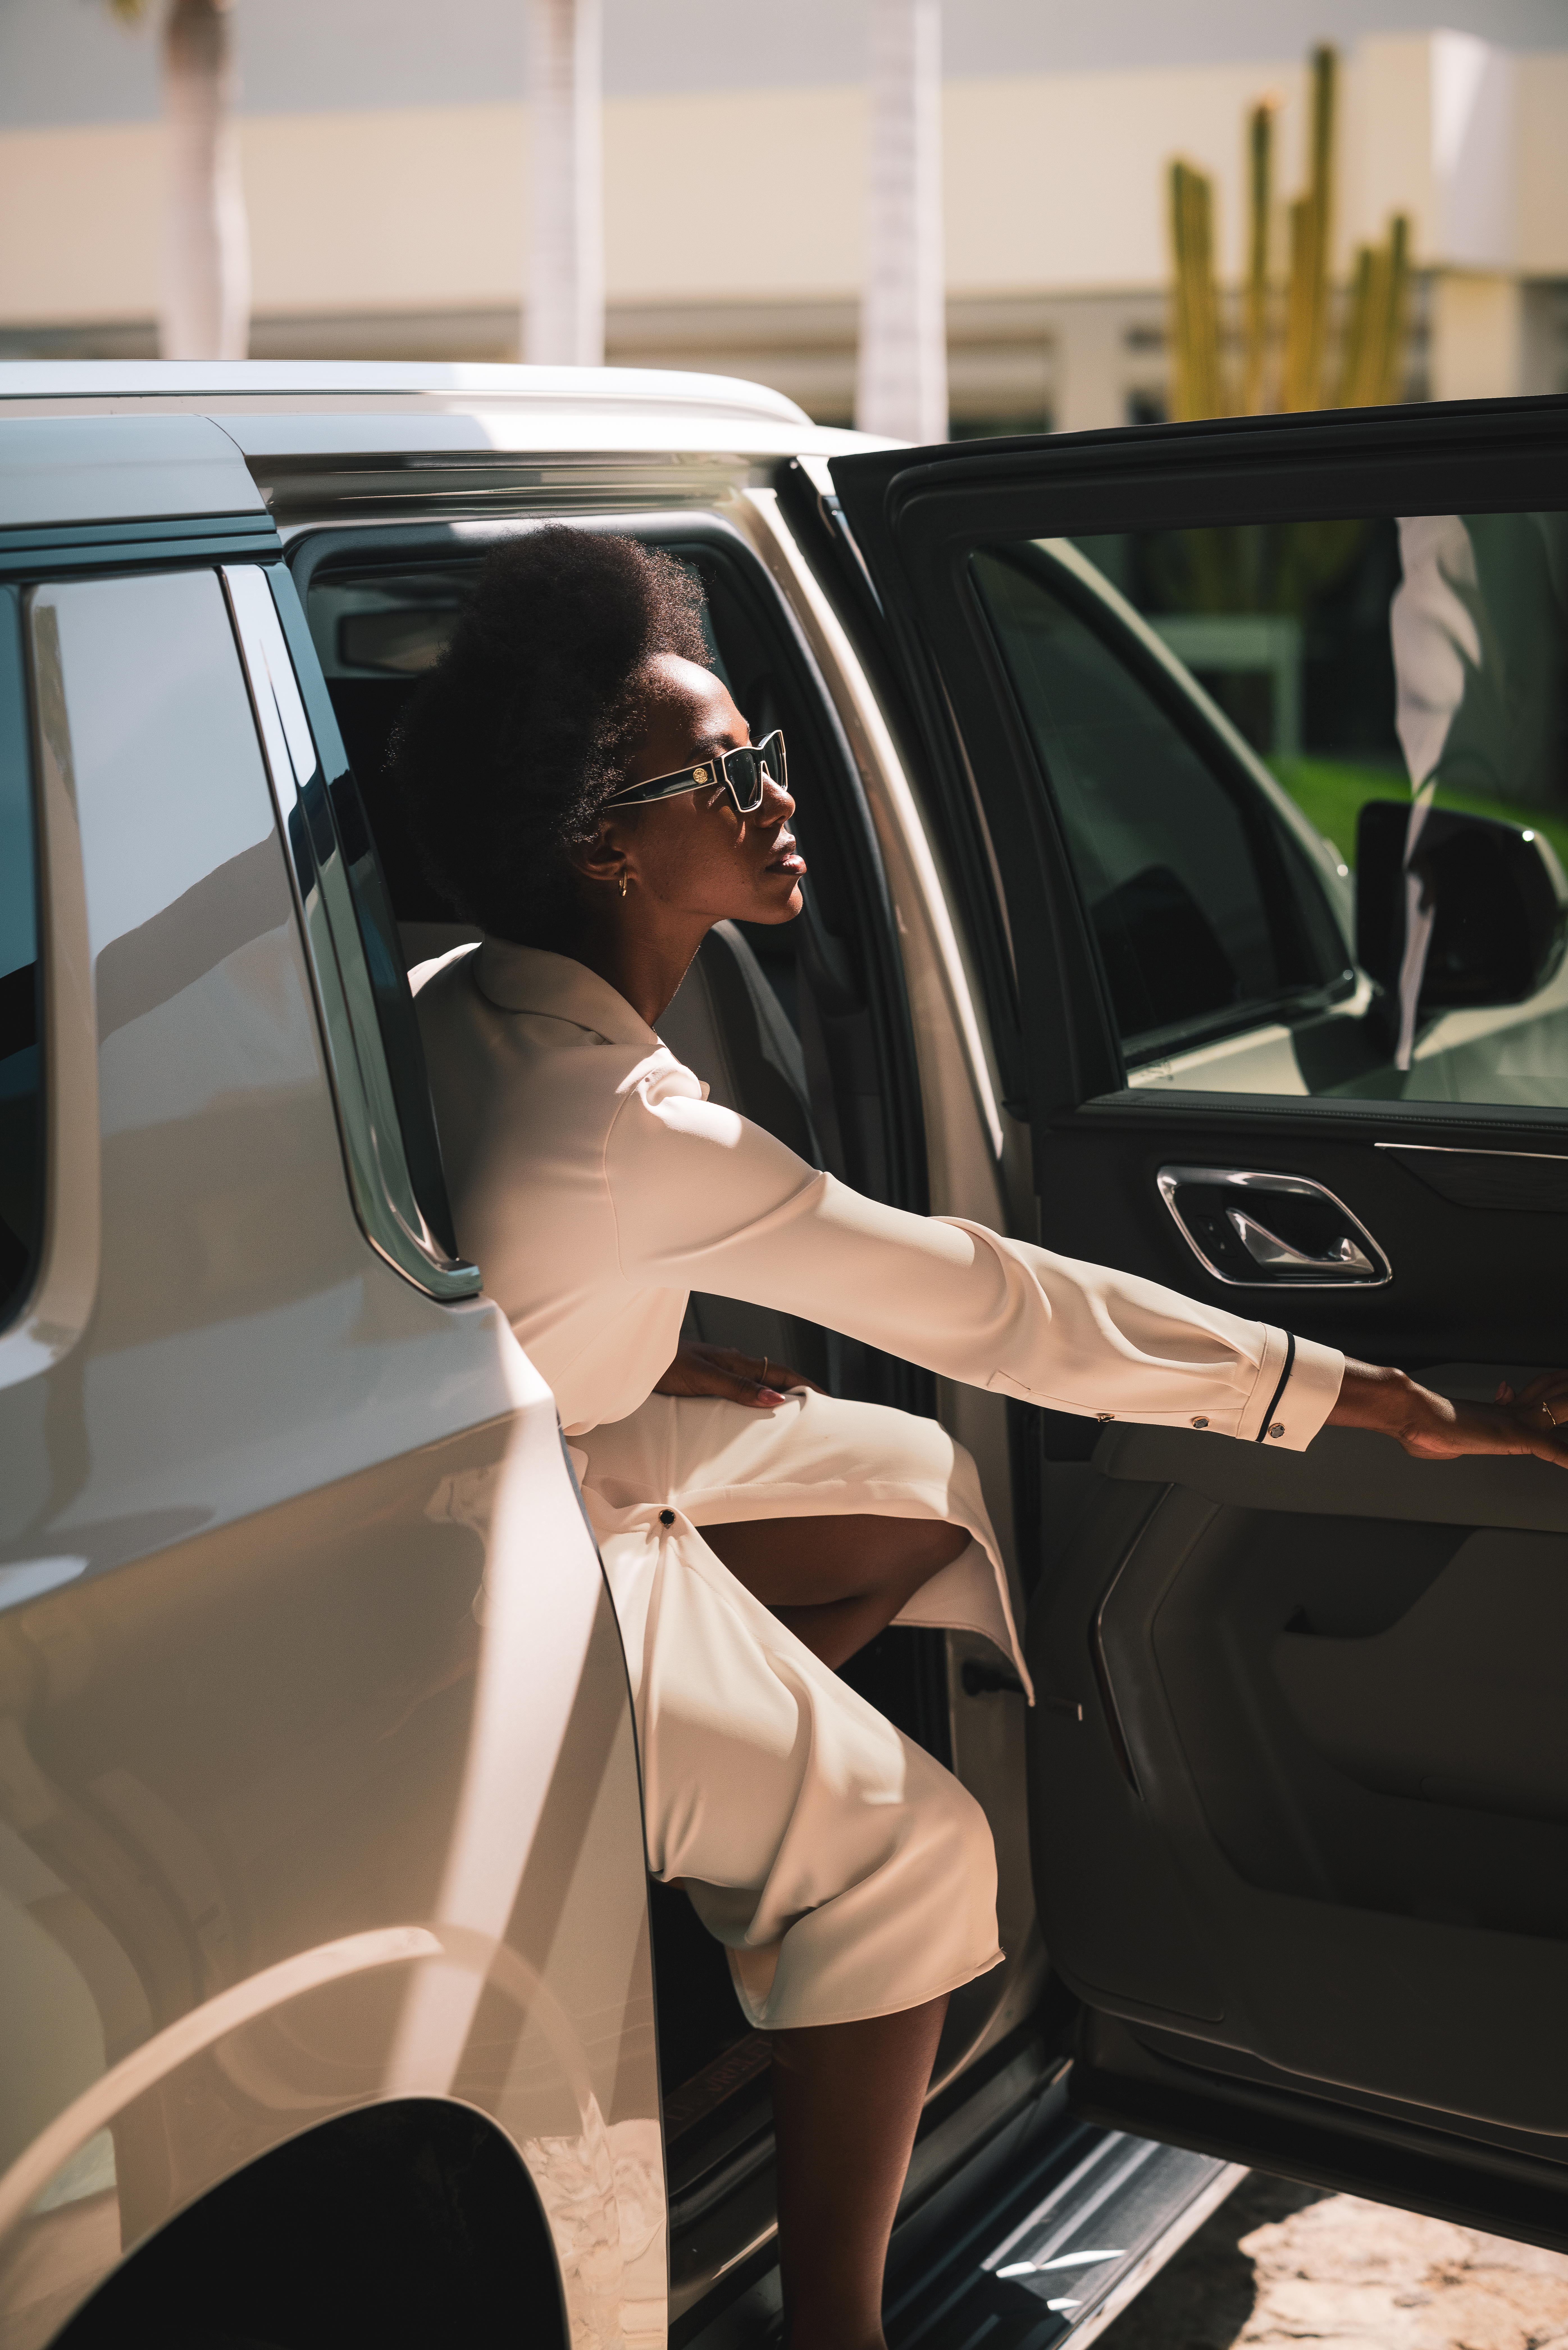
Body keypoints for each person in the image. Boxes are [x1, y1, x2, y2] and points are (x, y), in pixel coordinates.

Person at [397, 529, 1568, 2350]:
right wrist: (1405, 1407)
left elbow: (476, 1262)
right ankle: (837, 2320)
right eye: (725, 775)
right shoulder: (631, 1126)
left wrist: (626, 1346)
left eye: (765, 749)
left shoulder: (457, 996)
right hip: (496, 1574)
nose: (780, 796)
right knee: (918, 1849)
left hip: (544, 1444)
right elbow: (1001, 1307)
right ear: (604, 843)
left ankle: (676, 1832)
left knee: (920, 1491)